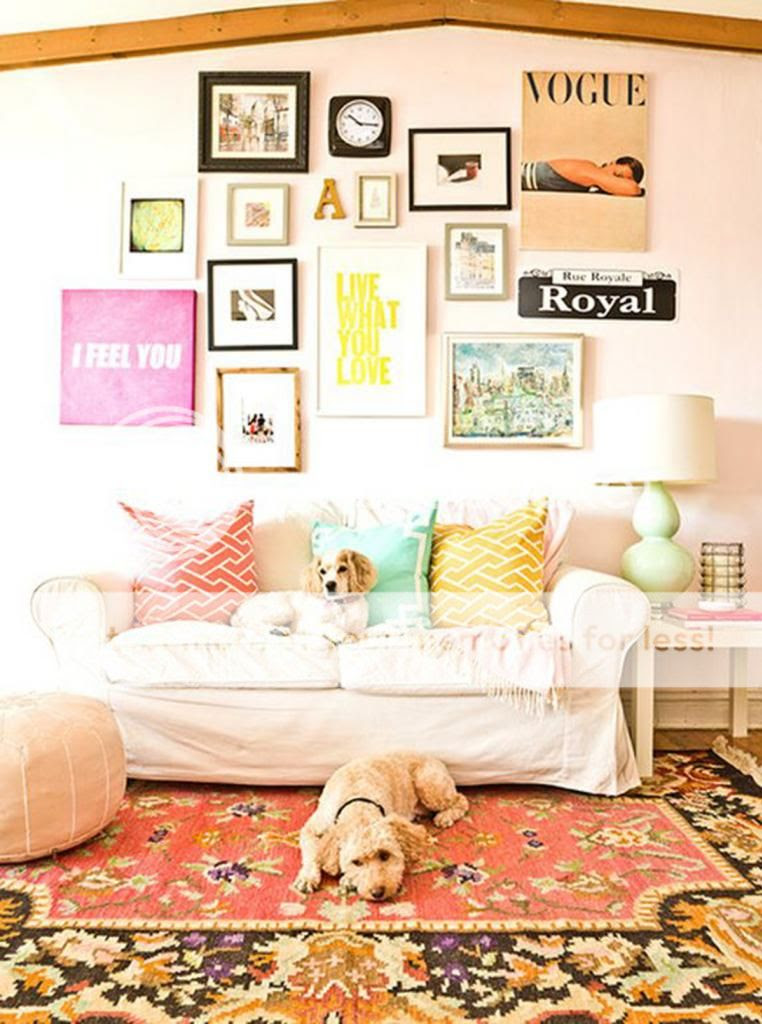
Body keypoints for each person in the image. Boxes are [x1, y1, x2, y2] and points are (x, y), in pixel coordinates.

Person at [521, 156, 645, 196]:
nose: (615, 182)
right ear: (612, 163)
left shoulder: (592, 180)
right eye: (616, 175)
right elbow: (633, 189)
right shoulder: (591, 170)